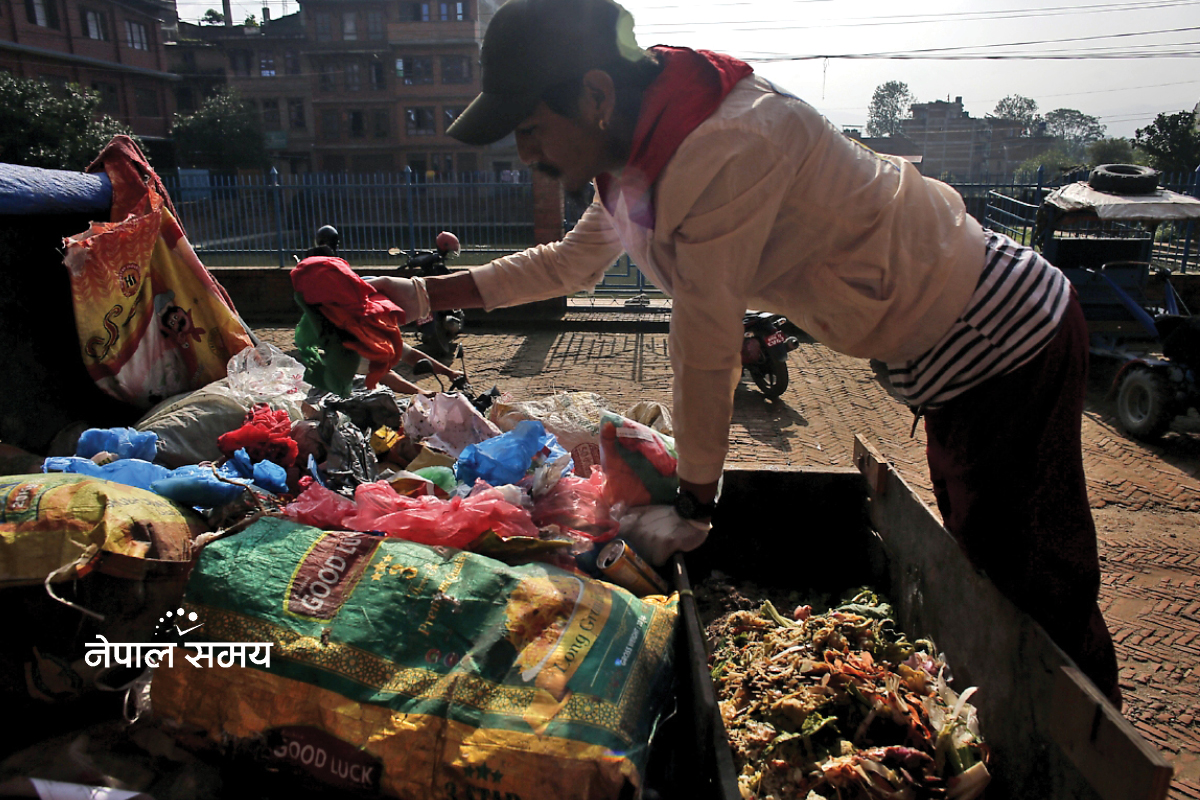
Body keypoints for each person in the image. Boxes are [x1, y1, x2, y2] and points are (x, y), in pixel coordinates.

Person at [367, 0, 1120, 705]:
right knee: (996, 568)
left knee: (1033, 588)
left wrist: (697, 499)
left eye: (530, 128)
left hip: (1000, 336)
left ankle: (1093, 759)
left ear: (595, 93)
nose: (526, 153)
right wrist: (425, 296)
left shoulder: (724, 144)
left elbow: (705, 340)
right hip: (948, 357)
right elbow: (568, 265)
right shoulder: (636, 155)